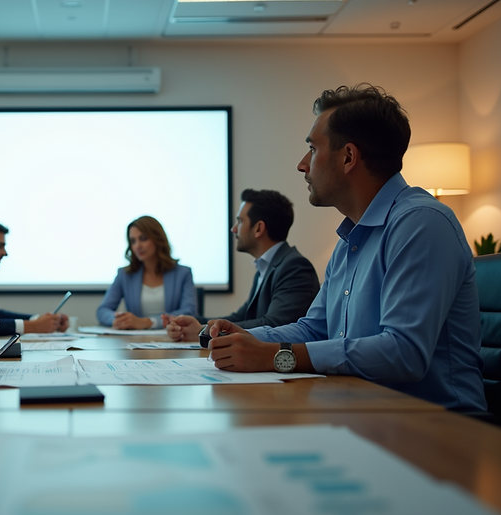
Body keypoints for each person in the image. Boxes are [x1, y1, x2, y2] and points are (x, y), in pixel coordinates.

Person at [206, 84, 486, 411]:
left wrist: (278, 356)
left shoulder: (421, 223)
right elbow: (316, 328)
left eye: (312, 149)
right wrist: (249, 338)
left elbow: (404, 352)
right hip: (363, 411)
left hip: (435, 429)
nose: (302, 165)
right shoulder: (350, 239)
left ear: (349, 157)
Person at [165, 189, 319, 341]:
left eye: (240, 221)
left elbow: (275, 324)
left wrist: (203, 329)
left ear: (258, 228)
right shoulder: (266, 267)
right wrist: (198, 323)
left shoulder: (294, 267)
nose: (234, 229)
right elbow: (242, 316)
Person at [97, 216, 196, 329]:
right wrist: (117, 319)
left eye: (143, 238)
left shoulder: (183, 273)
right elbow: (102, 310)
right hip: (133, 342)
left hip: (171, 339)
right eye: (133, 241)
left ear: (158, 239)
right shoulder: (124, 275)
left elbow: (189, 312)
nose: (137, 246)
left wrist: (149, 322)